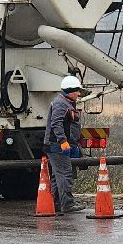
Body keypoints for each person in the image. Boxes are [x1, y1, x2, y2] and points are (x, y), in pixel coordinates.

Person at [45, 75, 86, 214]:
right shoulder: (60, 104)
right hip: (56, 145)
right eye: (76, 91)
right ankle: (67, 204)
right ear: (69, 91)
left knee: (58, 175)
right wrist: (63, 141)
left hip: (59, 145)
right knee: (65, 174)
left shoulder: (66, 103)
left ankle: (56, 203)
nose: (79, 94)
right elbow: (56, 124)